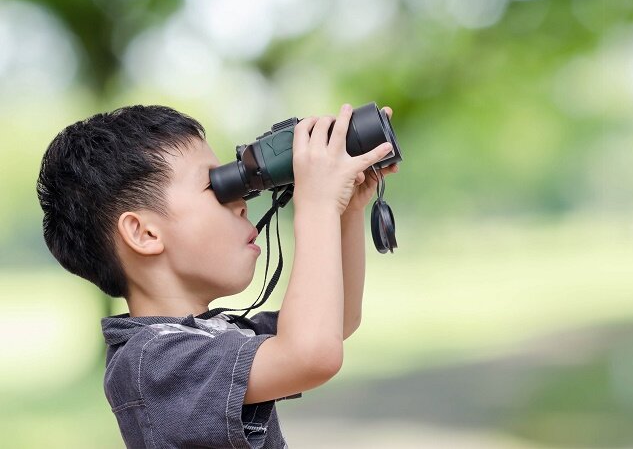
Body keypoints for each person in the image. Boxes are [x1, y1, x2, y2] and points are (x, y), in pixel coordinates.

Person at [36, 103, 398, 448]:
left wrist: (347, 211)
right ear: (145, 234)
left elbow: (336, 321)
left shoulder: (209, 336)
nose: (242, 202)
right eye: (214, 186)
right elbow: (310, 355)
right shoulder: (151, 362)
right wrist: (316, 205)